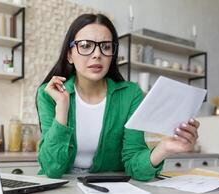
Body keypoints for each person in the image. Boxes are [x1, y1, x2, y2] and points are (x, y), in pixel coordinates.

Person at [36, 13, 199, 181]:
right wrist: (62, 109)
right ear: (69, 55)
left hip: (111, 190)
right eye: (85, 45)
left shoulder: (130, 95)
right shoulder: (49, 93)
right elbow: (51, 168)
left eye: (106, 47)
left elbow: (135, 167)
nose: (97, 54)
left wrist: (164, 148)